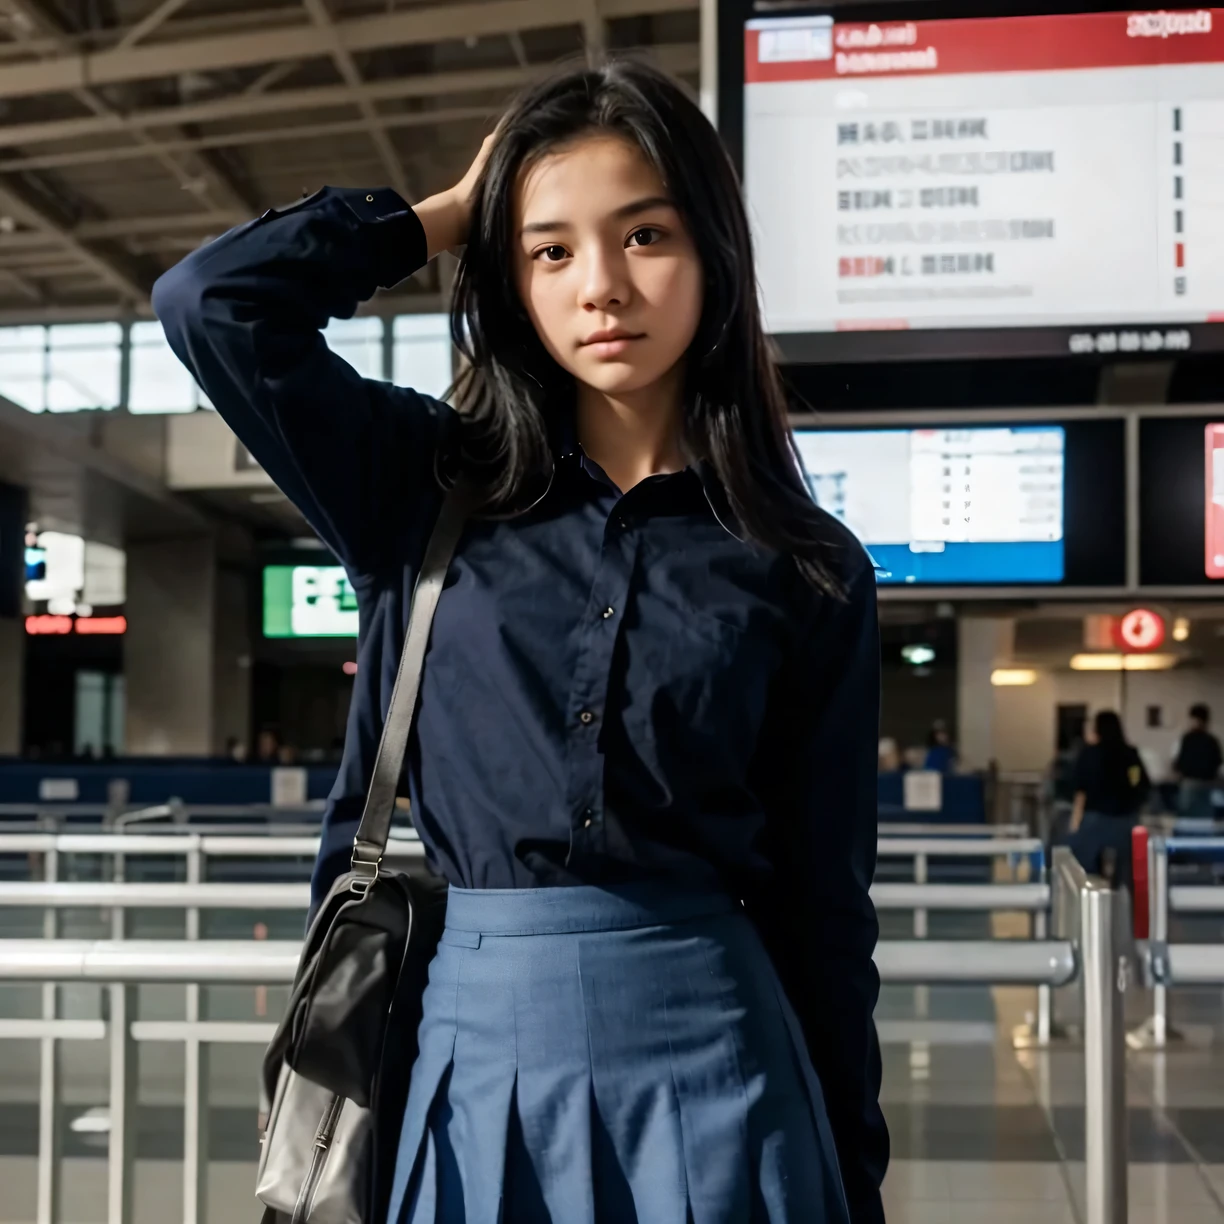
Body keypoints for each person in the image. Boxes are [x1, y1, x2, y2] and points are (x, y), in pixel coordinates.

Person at [153, 59, 885, 1224]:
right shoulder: (423, 486)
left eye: (644, 235)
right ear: (508, 274)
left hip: (718, 1056)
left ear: (716, 254)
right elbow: (212, 304)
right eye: (550, 250)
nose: (601, 287)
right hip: (468, 1056)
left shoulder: (805, 562)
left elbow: (825, 908)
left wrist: (852, 1166)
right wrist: (441, 215)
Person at [1069, 710, 1151, 885]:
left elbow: (1079, 790)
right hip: (1125, 820)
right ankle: (1124, 906)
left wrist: (1075, 823)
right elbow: (1139, 784)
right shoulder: (1130, 754)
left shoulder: (1089, 754)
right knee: (1126, 873)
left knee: (1086, 873)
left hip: (1095, 820)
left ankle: (1092, 906)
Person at [1172, 702, 1221, 821]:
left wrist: (1178, 772)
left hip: (1190, 782)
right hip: (1208, 782)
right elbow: (1218, 761)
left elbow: (1180, 762)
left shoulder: (1188, 738)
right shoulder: (1212, 740)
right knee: (1205, 816)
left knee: (1186, 814)